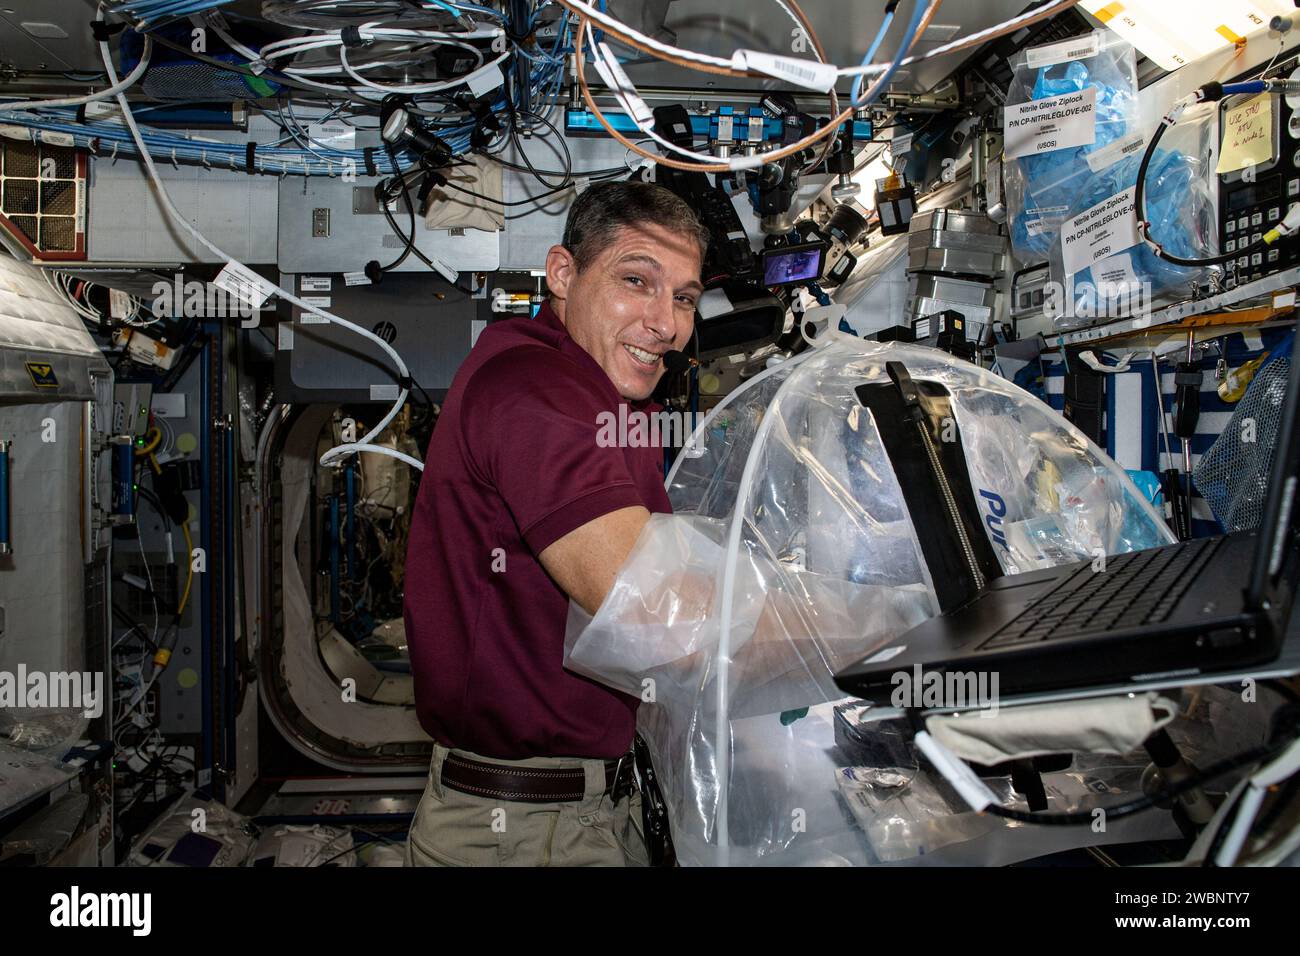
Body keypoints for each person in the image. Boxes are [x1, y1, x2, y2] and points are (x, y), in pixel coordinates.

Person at [402, 180, 709, 866]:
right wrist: (867, 629)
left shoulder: (608, 398)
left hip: (582, 808)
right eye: (638, 280)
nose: (667, 323)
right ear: (563, 274)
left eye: (684, 297)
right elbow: (649, 612)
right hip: (525, 832)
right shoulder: (535, 390)